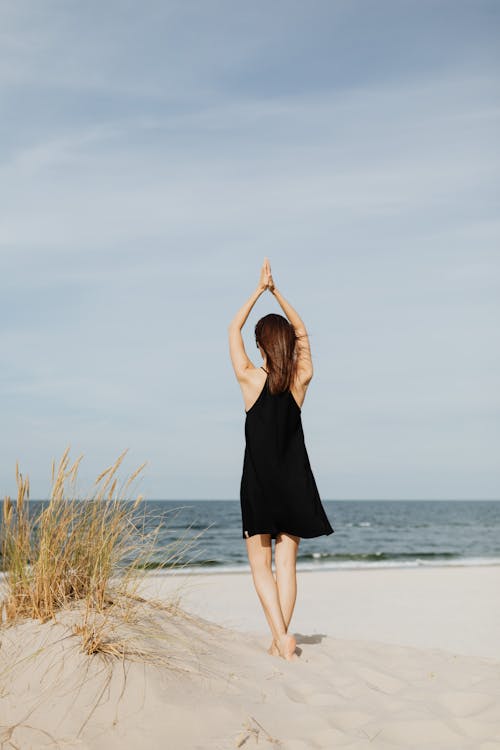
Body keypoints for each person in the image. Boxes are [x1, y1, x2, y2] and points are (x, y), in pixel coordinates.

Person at [228, 258, 335, 661]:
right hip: (296, 482)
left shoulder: (249, 378)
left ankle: (280, 638)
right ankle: (281, 640)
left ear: (260, 345)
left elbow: (231, 329)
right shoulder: (300, 380)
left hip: (259, 482)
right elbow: (304, 333)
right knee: (287, 565)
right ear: (288, 345)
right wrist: (278, 294)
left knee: (261, 567)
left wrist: (258, 291)